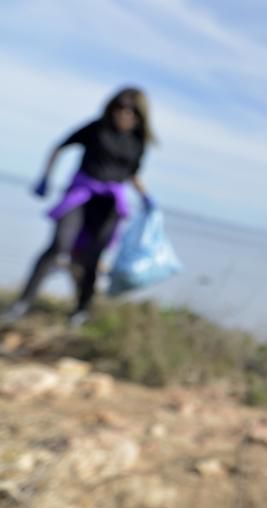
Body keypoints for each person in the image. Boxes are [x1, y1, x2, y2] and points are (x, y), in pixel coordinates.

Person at [0, 87, 155, 328]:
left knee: (91, 259)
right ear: (111, 107)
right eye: (120, 107)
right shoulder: (96, 128)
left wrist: (147, 199)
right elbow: (59, 147)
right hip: (81, 195)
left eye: (131, 110)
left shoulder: (138, 142)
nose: (124, 113)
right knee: (59, 245)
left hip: (109, 206)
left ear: (140, 115)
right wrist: (45, 177)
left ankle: (81, 311)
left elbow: (133, 174)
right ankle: (22, 303)